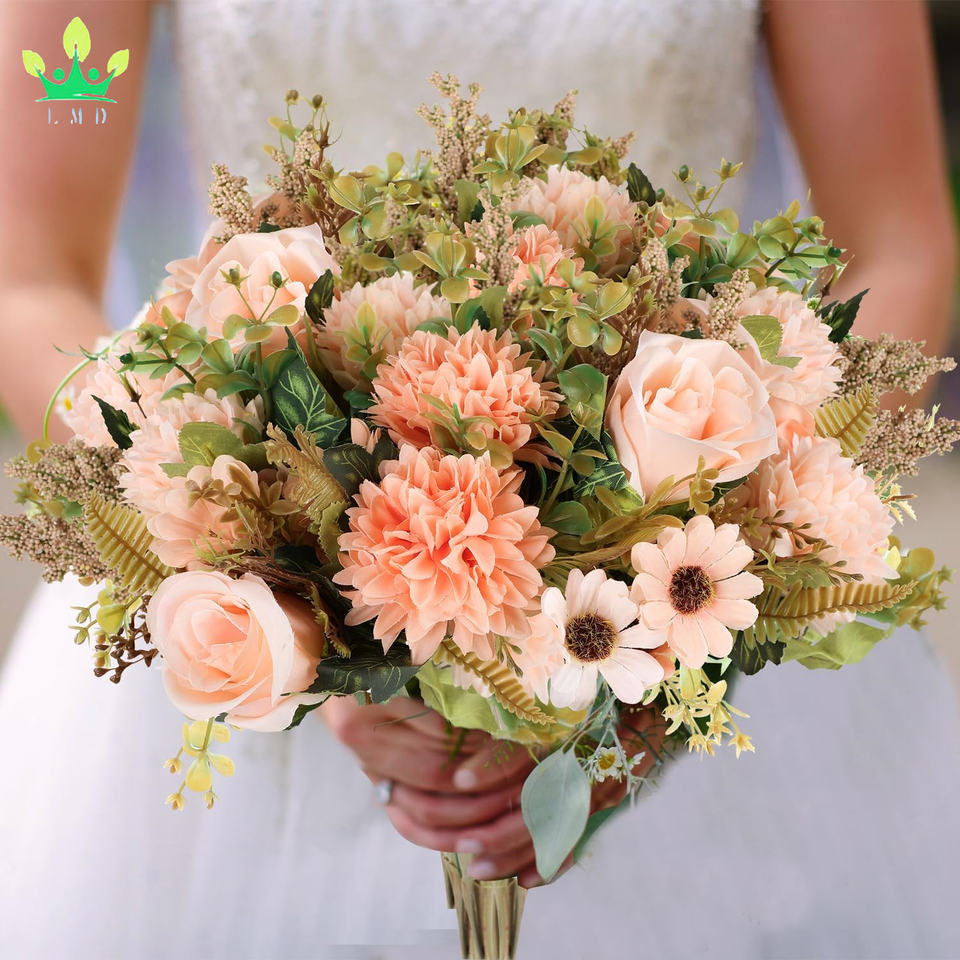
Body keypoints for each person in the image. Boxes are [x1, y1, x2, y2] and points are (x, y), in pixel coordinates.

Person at [0, 1, 957, 957]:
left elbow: (897, 245)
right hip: (243, 565)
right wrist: (303, 627)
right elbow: (29, 278)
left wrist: (675, 634)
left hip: (690, 571)